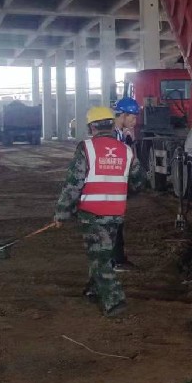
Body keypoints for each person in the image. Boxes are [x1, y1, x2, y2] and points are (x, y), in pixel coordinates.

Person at [54, 106, 144, 317]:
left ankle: (114, 301)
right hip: (116, 212)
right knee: (103, 250)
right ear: (112, 125)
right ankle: (93, 290)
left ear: (92, 127)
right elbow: (139, 182)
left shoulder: (86, 148)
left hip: (92, 212)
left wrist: (62, 212)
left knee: (100, 257)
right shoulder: (126, 150)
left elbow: (73, 183)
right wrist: (121, 192)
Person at [111, 97, 141, 271]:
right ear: (123, 115)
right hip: (110, 186)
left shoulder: (121, 134)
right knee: (114, 224)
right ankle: (115, 261)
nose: (135, 121)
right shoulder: (112, 135)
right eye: (133, 117)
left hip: (117, 185)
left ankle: (118, 259)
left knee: (117, 222)